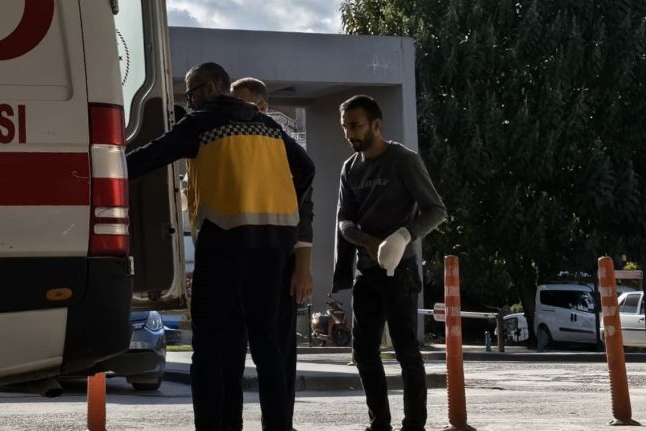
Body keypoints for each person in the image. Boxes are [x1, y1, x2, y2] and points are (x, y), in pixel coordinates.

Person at [127, 62, 315, 431]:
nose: (190, 102)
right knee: (267, 346)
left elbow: (151, 155)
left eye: (191, 93)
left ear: (211, 88)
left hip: (224, 243)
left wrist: (105, 168)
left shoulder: (203, 123)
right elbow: (306, 167)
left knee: (210, 348)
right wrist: (282, 206)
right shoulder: (269, 125)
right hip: (272, 248)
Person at [332, 95, 446, 431]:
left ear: (376, 125)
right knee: (364, 353)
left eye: (355, 126)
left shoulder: (403, 160)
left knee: (406, 352)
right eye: (345, 127)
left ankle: (414, 425)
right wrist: (367, 241)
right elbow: (344, 221)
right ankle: (379, 423)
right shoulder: (350, 168)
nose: (349, 133)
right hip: (366, 272)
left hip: (401, 272)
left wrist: (403, 235)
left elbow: (436, 210)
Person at [223, 77, 314, 431]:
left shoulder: (285, 149)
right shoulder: (231, 144)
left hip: (279, 263)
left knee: (278, 350)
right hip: (236, 260)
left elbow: (305, 211)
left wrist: (302, 268)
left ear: (261, 107)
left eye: (241, 103)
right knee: (232, 349)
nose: (234, 111)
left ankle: (279, 424)